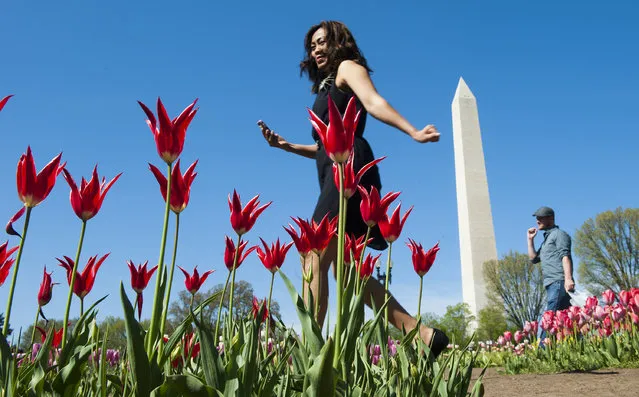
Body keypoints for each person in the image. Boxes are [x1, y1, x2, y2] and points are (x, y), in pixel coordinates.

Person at [257, 20, 448, 356]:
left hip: (348, 168)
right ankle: (425, 336)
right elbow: (324, 145)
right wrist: (286, 146)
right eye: (312, 45)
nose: (315, 49)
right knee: (348, 272)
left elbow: (373, 102)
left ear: (339, 43)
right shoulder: (326, 87)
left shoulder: (348, 68)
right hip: (333, 167)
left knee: (313, 252)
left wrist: (413, 131)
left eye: (322, 42)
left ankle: (310, 352)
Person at [527, 206, 575, 341]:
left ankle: (542, 351)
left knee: (550, 317)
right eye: (537, 218)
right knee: (568, 320)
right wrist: (530, 240)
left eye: (540, 218)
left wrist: (568, 279)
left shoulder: (559, 235)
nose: (537, 221)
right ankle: (579, 346)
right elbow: (533, 259)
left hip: (559, 282)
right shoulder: (546, 240)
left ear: (550, 219)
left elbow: (565, 256)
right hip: (551, 284)